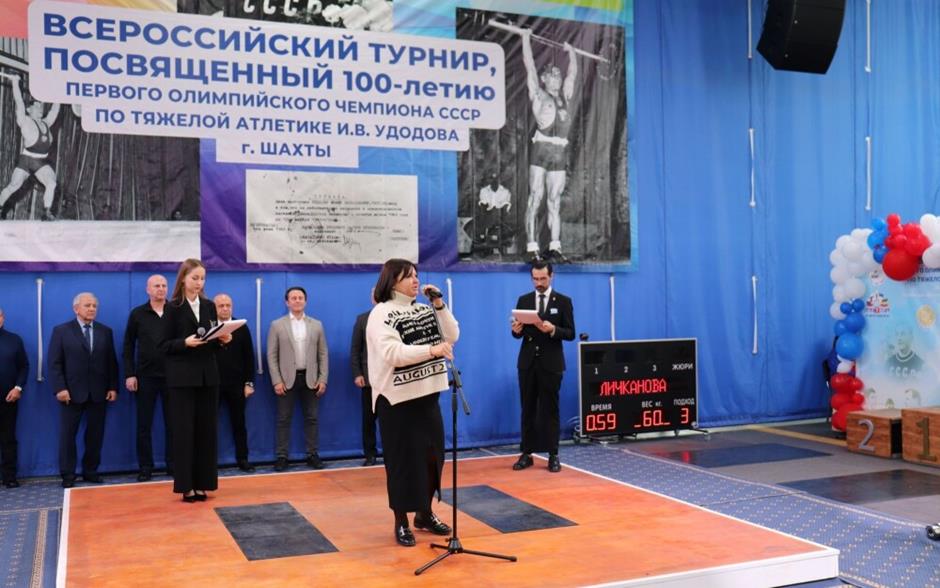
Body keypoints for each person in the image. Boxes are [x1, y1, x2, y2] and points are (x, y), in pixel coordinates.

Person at [366, 259, 458, 547]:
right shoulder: (381, 313)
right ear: (393, 281)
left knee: (432, 460)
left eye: (417, 275)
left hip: (428, 396)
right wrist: (431, 350)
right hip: (396, 402)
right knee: (402, 464)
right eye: (409, 276)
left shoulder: (425, 309)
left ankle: (424, 513)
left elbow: (452, 336)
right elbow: (393, 352)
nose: (416, 281)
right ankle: (401, 521)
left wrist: (439, 305)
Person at [161, 259, 230, 503]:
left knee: (206, 432)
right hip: (182, 379)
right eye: (195, 278)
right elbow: (163, 345)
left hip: (208, 378)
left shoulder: (210, 306)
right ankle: (186, 486)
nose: (199, 283)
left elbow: (210, 341)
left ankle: (203, 484)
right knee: (184, 433)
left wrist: (222, 340)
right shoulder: (172, 307)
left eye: (202, 278)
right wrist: (184, 343)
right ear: (183, 279)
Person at [510, 260, 575, 473]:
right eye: (535, 279)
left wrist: (553, 329)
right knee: (527, 408)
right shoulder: (524, 300)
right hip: (528, 362)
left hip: (551, 363)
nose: (539, 283)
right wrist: (516, 330)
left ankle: (553, 455)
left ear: (551, 276)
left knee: (550, 409)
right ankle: (526, 453)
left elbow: (570, 333)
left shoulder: (563, 301)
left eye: (543, 279)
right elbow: (517, 333)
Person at [48, 293, 118, 488]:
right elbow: (54, 363)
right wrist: (60, 388)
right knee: (68, 436)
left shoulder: (105, 331)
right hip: (70, 393)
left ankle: (91, 471)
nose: (92, 309)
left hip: (99, 392)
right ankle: (68, 474)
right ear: (76, 308)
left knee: (95, 435)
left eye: (94, 306)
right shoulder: (61, 331)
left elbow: (111, 361)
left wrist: (113, 386)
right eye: (87, 305)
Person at [520, 29, 577, 263]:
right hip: (541, 150)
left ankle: (555, 247)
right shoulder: (538, 94)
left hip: (559, 152)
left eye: (558, 74)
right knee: (536, 197)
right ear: (544, 79)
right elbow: (529, 66)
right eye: (552, 74)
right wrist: (525, 38)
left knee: (554, 200)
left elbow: (573, 73)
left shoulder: (566, 95)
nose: (557, 76)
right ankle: (532, 247)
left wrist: (572, 52)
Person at [267, 286, 328, 471]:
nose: (297, 300)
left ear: (305, 301)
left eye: (300, 297)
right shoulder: (277, 325)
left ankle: (312, 454)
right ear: (287, 302)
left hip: (311, 379)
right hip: (286, 380)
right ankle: (282, 456)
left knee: (312, 418)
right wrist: (277, 380)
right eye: (293, 298)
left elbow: (323, 354)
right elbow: (271, 355)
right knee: (283, 419)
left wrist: (323, 379)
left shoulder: (316, 325)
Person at [123, 274, 172, 482]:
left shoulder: (176, 311)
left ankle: (173, 464)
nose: (161, 289)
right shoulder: (137, 314)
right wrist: (130, 374)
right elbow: (128, 345)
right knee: (144, 425)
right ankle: (145, 467)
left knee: (174, 424)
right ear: (148, 289)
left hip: (173, 376)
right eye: (156, 285)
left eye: (164, 285)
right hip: (145, 377)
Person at [0, 72, 61, 221]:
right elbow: (18, 101)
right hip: (26, 160)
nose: (40, 108)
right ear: (29, 110)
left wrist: (60, 93)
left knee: (52, 183)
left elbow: (55, 110)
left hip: (41, 161)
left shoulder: (46, 123)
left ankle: (46, 212)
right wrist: (15, 83)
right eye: (36, 106)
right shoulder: (25, 121)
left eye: (41, 106)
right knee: (13, 186)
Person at [213, 293, 256, 472]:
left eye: (228, 305)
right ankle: (208, 462)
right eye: (221, 305)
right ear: (214, 308)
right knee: (209, 425)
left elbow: (249, 357)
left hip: (236, 385)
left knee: (239, 423)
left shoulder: (241, 327)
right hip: (212, 384)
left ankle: (243, 459)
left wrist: (249, 383)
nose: (225, 308)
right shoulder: (208, 327)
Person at [0, 307, 28, 488]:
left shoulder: (14, 340)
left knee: (8, 439)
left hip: (8, 398)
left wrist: (18, 388)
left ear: (2, 318)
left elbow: (24, 366)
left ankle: (9, 477)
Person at [350, 291, 378, 466]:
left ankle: (394, 453)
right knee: (368, 419)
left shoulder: (396, 317)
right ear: (372, 298)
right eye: (376, 295)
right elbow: (355, 349)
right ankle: (370, 454)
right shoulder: (362, 319)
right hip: (368, 379)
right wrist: (357, 373)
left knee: (393, 420)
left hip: (392, 380)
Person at [474, 172, 513, 257]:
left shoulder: (505, 191)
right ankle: (484, 242)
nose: (494, 181)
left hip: (501, 215)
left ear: (499, 180)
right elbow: (483, 203)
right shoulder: (484, 191)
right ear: (489, 180)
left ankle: (498, 241)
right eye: (492, 179)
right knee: (483, 216)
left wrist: (497, 209)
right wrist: (487, 208)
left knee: (498, 215)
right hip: (488, 214)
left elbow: (506, 205)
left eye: (496, 179)